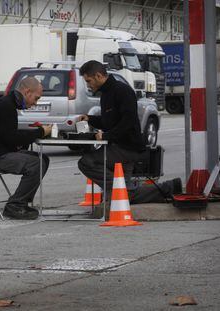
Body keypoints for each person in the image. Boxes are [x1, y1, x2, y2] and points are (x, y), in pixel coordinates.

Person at [77, 60, 182, 209]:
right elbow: (109, 121)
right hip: (120, 146)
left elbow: (128, 122)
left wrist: (107, 136)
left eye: (88, 81)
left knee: (86, 163)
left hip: (127, 148)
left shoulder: (122, 91)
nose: (88, 85)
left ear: (99, 75)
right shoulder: (105, 94)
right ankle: (169, 188)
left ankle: (117, 190)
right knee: (128, 196)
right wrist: (90, 119)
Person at [0, 77, 52, 220]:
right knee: (36, 163)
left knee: (43, 159)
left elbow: (9, 137)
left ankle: (23, 202)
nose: (35, 103)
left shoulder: (9, 104)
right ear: (27, 92)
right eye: (36, 98)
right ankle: (15, 205)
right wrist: (41, 132)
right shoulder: (6, 106)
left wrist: (29, 135)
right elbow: (12, 138)